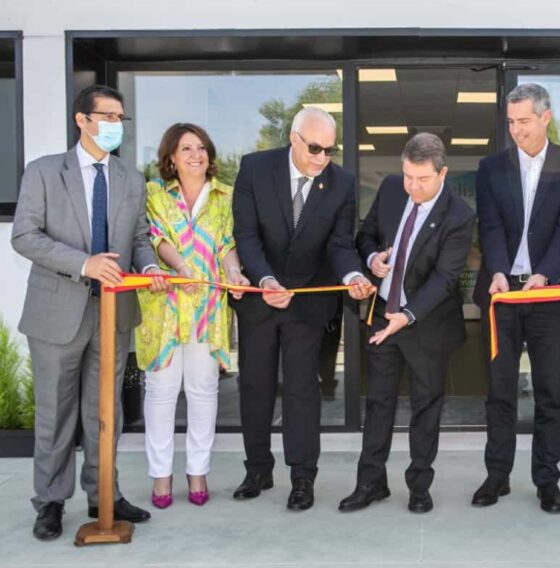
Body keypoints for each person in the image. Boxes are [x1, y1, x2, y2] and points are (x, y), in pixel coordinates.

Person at [12, 85, 168, 540]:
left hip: (113, 314)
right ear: (82, 120)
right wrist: (85, 263)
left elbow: (138, 238)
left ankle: (104, 496)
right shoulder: (44, 172)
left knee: (106, 413)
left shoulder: (130, 178)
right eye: (108, 116)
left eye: (121, 118)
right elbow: (25, 236)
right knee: (56, 414)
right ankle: (51, 501)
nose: (116, 125)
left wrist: (150, 266)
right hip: (56, 312)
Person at [230, 107, 372, 510]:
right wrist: (265, 281)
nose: (322, 158)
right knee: (255, 387)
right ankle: (258, 469)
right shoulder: (255, 168)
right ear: (294, 139)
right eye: (314, 148)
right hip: (260, 299)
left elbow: (340, 244)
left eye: (330, 150)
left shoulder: (342, 183)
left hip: (307, 303)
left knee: (302, 391)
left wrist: (352, 276)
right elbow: (246, 235)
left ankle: (302, 477)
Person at [471, 83, 560, 514]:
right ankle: (497, 476)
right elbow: (488, 225)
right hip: (503, 293)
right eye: (511, 122)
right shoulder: (492, 167)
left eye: (524, 121)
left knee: (549, 392)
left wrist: (546, 274)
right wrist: (498, 271)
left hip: (550, 293)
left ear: (545, 117)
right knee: (499, 391)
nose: (516, 130)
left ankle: (547, 480)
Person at [339, 133, 474, 514]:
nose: (413, 187)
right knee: (378, 403)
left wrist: (408, 315)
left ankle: (419, 486)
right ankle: (370, 483)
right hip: (384, 314)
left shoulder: (459, 215)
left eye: (422, 179)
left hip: (426, 323)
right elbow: (365, 235)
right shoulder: (391, 189)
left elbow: (444, 279)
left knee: (425, 406)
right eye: (408, 177)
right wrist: (373, 259)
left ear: (442, 173)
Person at [136, 123, 249, 509]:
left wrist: (234, 272)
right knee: (161, 392)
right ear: (171, 157)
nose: (196, 155)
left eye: (201, 147)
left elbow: (228, 243)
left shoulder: (225, 195)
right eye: (186, 148)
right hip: (164, 307)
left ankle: (198, 470)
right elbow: (154, 237)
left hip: (207, 306)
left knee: (203, 391)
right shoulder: (153, 193)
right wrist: (180, 267)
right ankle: (161, 475)